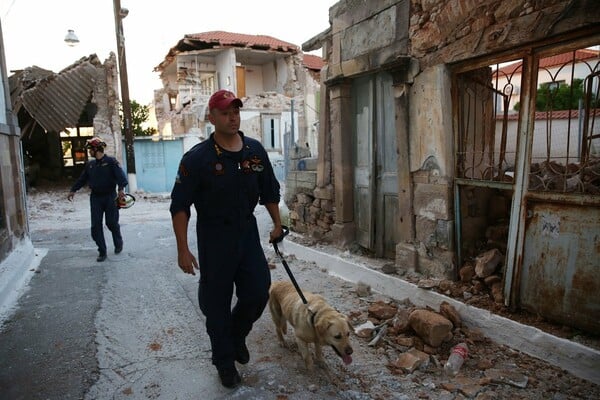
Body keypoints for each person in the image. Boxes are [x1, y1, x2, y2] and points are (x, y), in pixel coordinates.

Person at [169, 90, 283, 389]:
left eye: (236, 111)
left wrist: (277, 223)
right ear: (211, 117)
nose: (232, 117)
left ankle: (236, 335)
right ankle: (224, 361)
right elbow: (180, 205)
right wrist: (183, 249)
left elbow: (269, 191)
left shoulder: (255, 152)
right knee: (216, 304)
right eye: (225, 112)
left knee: (258, 292)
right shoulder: (197, 159)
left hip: (246, 232)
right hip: (214, 236)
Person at [67, 137, 128, 262]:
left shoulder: (111, 162)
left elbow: (121, 177)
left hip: (110, 196)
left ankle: (118, 242)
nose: (89, 152)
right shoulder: (90, 165)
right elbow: (82, 179)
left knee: (111, 223)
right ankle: (102, 251)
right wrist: (73, 190)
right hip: (95, 198)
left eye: (90, 149)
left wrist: (121, 189)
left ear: (96, 149)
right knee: (95, 226)